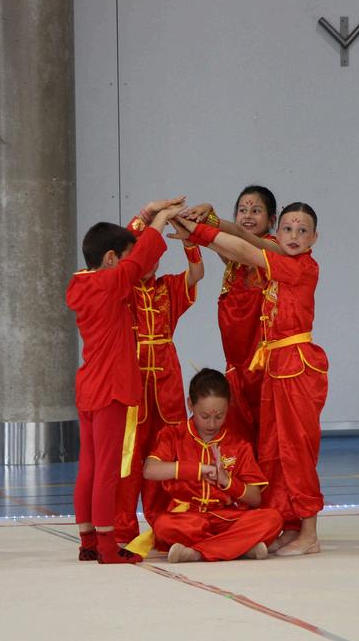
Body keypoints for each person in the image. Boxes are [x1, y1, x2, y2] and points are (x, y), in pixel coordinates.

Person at [170, 202, 327, 556]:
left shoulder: (300, 266)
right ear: (278, 233)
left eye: (302, 231)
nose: (294, 236)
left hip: (296, 365)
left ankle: (309, 532)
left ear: (314, 238)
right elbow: (240, 244)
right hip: (275, 365)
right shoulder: (282, 261)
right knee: (274, 450)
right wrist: (200, 232)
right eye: (288, 229)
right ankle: (290, 524)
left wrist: (199, 231)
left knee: (296, 449)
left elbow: (244, 247)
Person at [66, 196, 186, 564]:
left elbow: (131, 254)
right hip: (111, 389)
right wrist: (161, 219)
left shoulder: (82, 283)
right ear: (110, 259)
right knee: (107, 470)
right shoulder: (111, 283)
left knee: (89, 467)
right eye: (123, 258)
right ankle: (106, 546)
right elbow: (141, 257)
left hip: (89, 387)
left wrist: (146, 215)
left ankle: (88, 541)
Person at [113, 211, 205, 544]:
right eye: (143, 254)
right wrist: (146, 216)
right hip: (133, 383)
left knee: (166, 454)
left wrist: (190, 241)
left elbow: (197, 273)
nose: (150, 262)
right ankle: (122, 527)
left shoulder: (168, 287)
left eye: (154, 255)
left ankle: (165, 527)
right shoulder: (122, 288)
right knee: (128, 457)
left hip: (167, 383)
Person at [143, 368, 282, 563]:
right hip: (187, 519)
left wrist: (227, 482)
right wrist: (199, 469)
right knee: (163, 525)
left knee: (273, 519)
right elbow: (150, 470)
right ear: (190, 404)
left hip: (227, 518)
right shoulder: (173, 435)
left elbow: (256, 498)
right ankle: (238, 548)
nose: (211, 424)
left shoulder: (239, 445)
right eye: (205, 416)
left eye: (219, 416)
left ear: (229, 407)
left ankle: (196, 553)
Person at [182, 187, 279, 451]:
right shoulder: (234, 257)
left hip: (261, 360)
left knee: (267, 427)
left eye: (256, 211)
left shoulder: (273, 249)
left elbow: (240, 244)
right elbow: (222, 244)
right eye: (242, 210)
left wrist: (210, 221)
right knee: (240, 430)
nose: (247, 216)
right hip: (236, 362)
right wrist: (190, 226)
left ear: (271, 220)